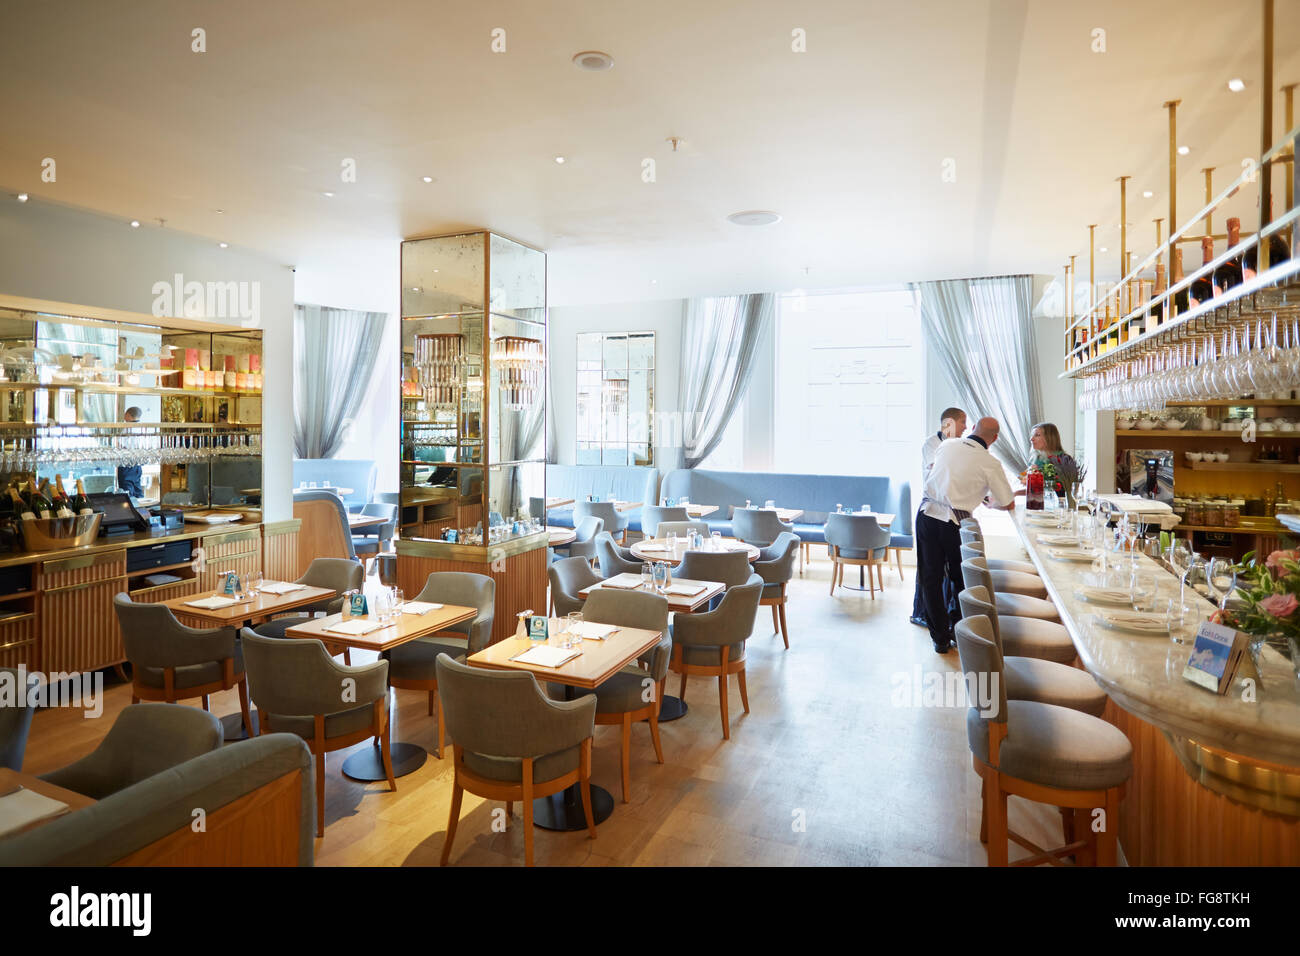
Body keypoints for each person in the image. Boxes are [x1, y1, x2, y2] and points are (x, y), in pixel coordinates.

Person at [916, 416, 1015, 653]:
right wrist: (990, 504)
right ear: (995, 439)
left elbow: (948, 473)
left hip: (926, 514)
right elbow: (1008, 502)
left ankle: (939, 638)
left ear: (972, 429)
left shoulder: (947, 445)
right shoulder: (990, 463)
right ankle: (959, 630)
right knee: (960, 580)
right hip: (954, 524)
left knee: (930, 579)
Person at [910, 407, 967, 628]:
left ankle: (952, 619)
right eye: (962, 422)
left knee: (952, 573)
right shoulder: (931, 444)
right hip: (932, 512)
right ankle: (928, 616)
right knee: (931, 573)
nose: (964, 427)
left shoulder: (959, 446)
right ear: (948, 423)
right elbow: (939, 471)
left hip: (952, 514)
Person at [116, 406, 144, 498]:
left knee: (126, 493)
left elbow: (120, 445)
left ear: (128, 415)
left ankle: (129, 512)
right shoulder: (142, 428)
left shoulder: (127, 428)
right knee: (137, 490)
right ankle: (141, 511)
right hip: (138, 463)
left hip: (127, 463)